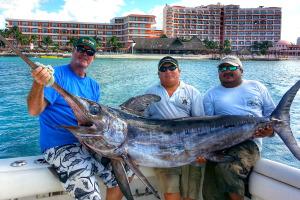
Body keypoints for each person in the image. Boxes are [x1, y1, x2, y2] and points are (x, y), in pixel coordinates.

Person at [27, 36, 125, 200]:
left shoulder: (94, 85)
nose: (84, 54)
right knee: (91, 195)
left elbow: (95, 121)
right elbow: (33, 110)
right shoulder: (55, 75)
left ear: (93, 57)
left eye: (90, 52)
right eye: (81, 49)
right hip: (60, 147)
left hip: (89, 145)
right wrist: (38, 83)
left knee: (125, 171)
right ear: (73, 51)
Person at [202, 55, 275, 200]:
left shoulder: (257, 87)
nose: (226, 70)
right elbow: (207, 129)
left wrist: (270, 131)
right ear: (218, 73)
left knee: (228, 168)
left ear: (241, 70)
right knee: (210, 190)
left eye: (231, 67)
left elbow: (272, 118)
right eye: (222, 68)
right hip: (218, 144)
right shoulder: (210, 95)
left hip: (249, 142)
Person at [144, 56, 206, 200]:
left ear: (179, 71)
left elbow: (201, 125)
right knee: (171, 194)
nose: (168, 71)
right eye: (163, 69)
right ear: (158, 73)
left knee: (191, 195)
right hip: (163, 152)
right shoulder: (149, 93)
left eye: (172, 68)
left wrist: (202, 149)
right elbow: (142, 123)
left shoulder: (192, 92)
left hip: (190, 150)